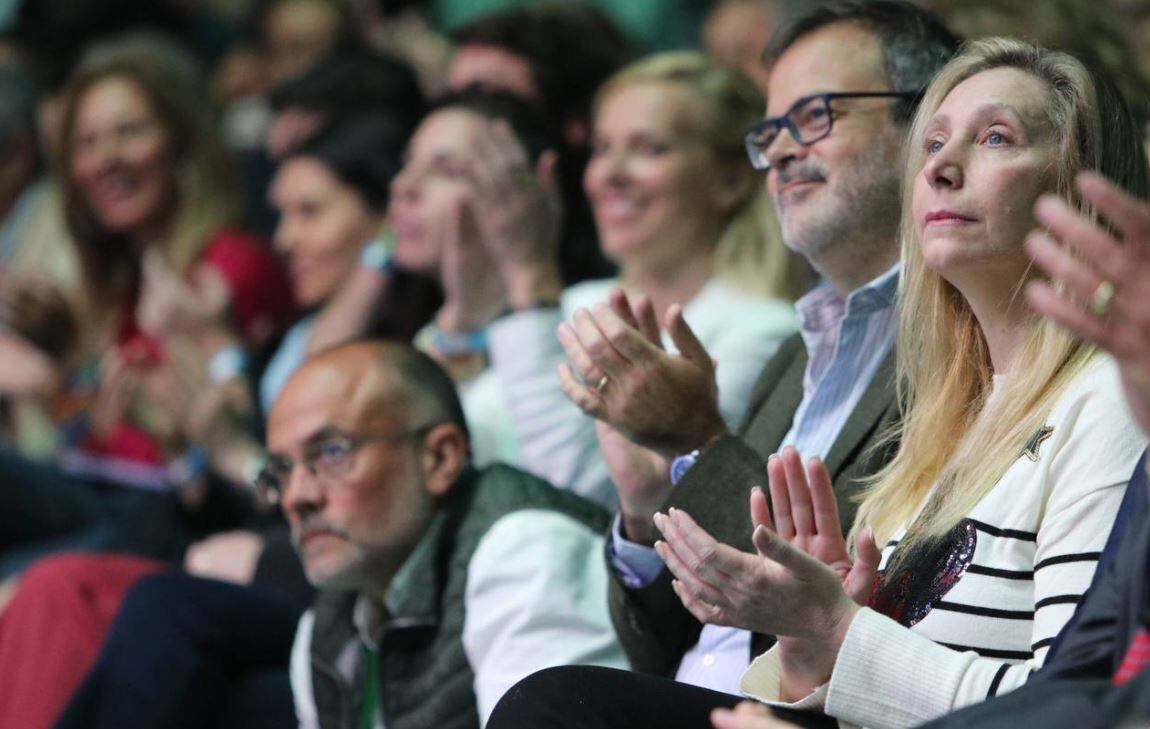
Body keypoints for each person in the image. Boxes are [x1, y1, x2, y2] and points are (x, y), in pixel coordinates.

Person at [646, 37, 1148, 729]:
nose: (942, 165)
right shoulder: (945, 418)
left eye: (996, 137)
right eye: (934, 142)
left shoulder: (1113, 402)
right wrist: (805, 638)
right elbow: (851, 690)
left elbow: (1074, 706)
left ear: (1077, 185)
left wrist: (838, 627)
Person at [486, 5, 959, 717]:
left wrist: (696, 443)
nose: (785, 152)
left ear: (927, 127)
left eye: (815, 115)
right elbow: (676, 644)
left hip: (815, 710)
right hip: (709, 701)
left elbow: (855, 597)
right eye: (771, 133)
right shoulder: (795, 354)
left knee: (551, 702)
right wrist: (650, 513)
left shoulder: (959, 340)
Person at [438, 51, 804, 510]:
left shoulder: (762, 332)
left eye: (648, 148)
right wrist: (460, 315)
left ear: (730, 179)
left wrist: (529, 278)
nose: (609, 175)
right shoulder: (577, 302)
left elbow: (592, 501)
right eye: (602, 148)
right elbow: (456, 442)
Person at [0, 35, 295, 572]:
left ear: (183, 142)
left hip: (158, 515)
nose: (104, 159)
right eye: (86, 143)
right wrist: (62, 362)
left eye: (128, 132)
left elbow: (220, 440)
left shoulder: (228, 265)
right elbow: (97, 425)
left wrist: (54, 381)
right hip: (91, 493)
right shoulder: (116, 281)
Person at [271, 340, 626, 727]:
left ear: (440, 458)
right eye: (281, 470)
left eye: (331, 452)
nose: (295, 497)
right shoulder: (324, 627)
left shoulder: (526, 552)